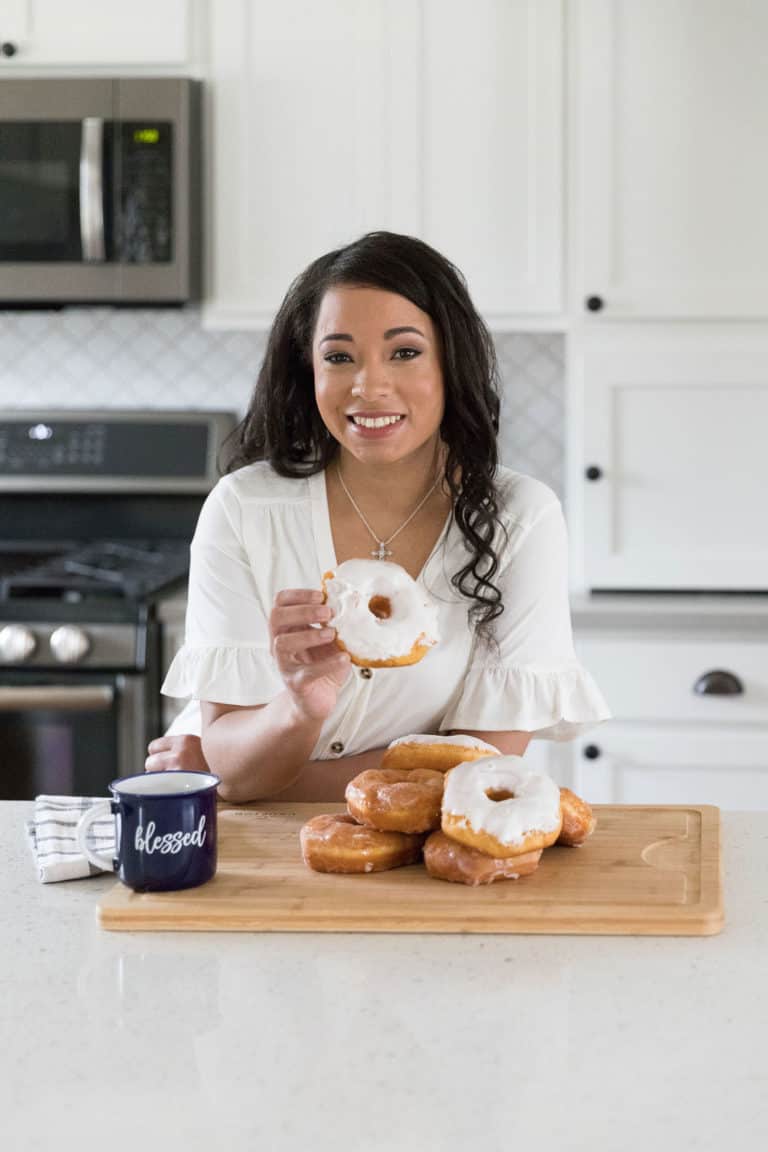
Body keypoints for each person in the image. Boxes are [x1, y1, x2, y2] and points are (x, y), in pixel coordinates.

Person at [152, 231, 611, 803]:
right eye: (339, 357)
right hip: (244, 859)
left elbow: (478, 767)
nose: (369, 387)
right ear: (308, 371)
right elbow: (239, 773)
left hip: (407, 859)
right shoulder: (245, 508)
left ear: (450, 361)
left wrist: (234, 776)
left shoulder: (519, 519)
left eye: (405, 351)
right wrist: (297, 706)